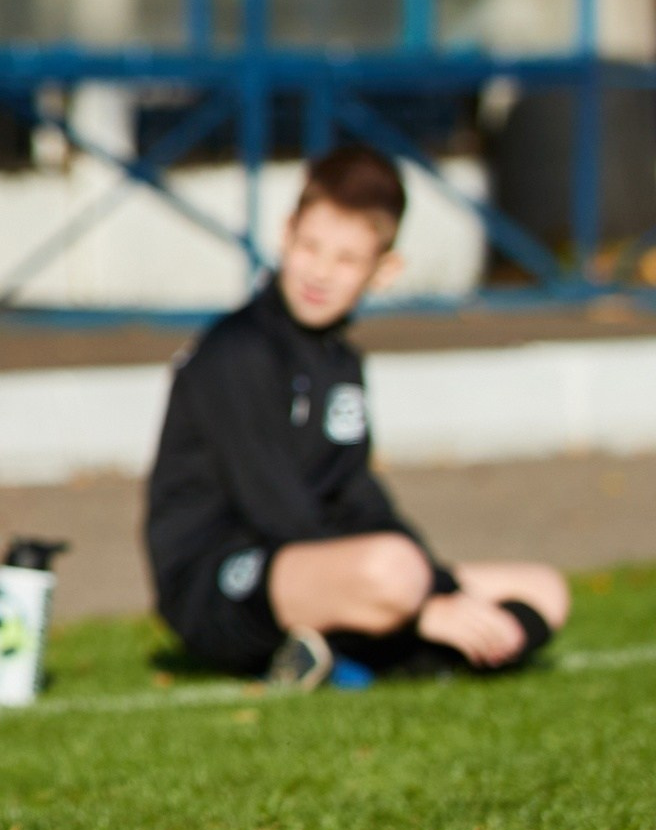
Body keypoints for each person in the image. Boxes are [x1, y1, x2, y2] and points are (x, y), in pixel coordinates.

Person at [144, 146, 570, 689]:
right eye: (310, 247)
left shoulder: (339, 361)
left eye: (346, 259)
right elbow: (278, 511)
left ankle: (347, 657)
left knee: (543, 591)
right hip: (226, 579)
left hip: (336, 566)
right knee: (393, 572)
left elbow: (357, 495)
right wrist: (421, 604)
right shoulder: (237, 352)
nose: (319, 272)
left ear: (384, 270)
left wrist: (437, 586)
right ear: (286, 233)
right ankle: (395, 645)